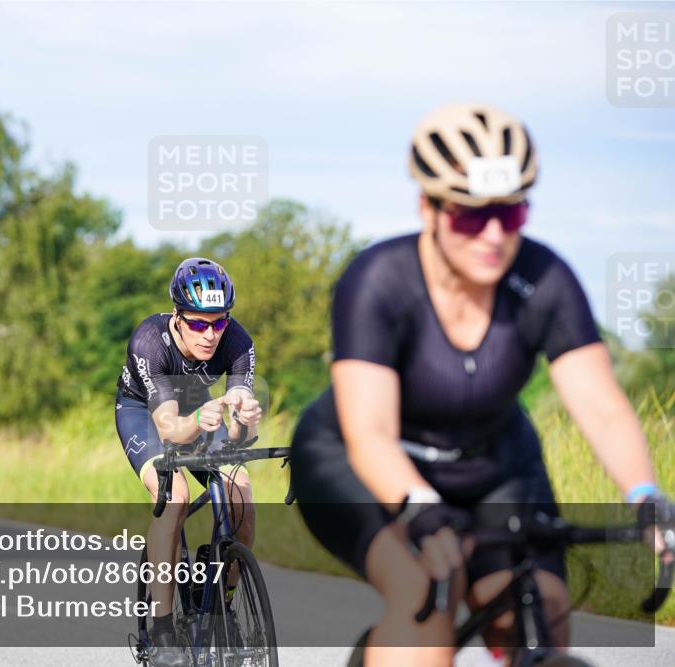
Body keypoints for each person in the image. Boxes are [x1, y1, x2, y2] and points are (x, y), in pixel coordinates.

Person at [289, 103, 672, 667]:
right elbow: (370, 433)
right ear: (429, 208)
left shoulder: (546, 279)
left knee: (543, 609)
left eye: (512, 214)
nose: (494, 235)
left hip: (494, 462)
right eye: (471, 216)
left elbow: (602, 406)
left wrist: (646, 496)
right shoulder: (376, 281)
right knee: (424, 600)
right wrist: (419, 508)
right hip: (358, 459)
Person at [115, 257, 262, 667]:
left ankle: (222, 602)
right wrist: (201, 418)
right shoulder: (149, 341)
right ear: (177, 317)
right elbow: (170, 430)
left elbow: (240, 439)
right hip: (145, 412)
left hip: (199, 406)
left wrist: (244, 423)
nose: (211, 334)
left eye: (219, 322)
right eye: (199, 323)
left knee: (241, 494)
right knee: (175, 493)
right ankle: (162, 628)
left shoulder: (239, 343)